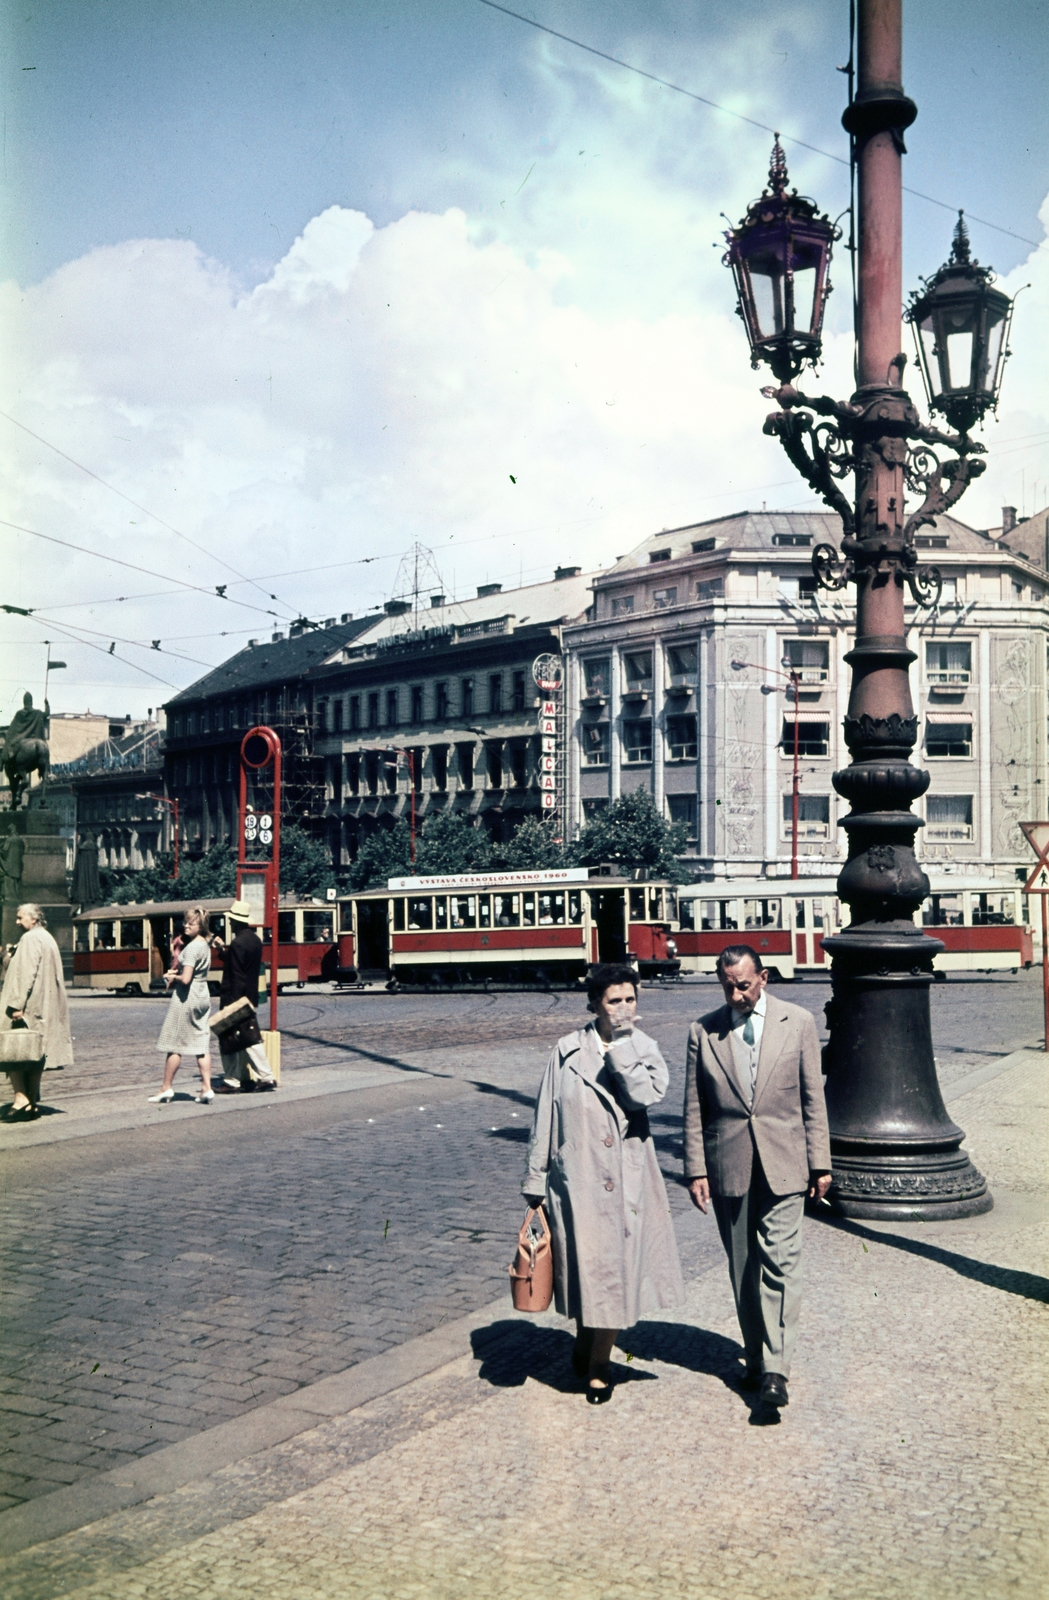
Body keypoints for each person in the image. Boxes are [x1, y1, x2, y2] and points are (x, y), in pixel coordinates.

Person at [523, 963, 684, 1404]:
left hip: (627, 1180)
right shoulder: (567, 1050)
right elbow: (546, 1115)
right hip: (578, 1179)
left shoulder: (644, 1046)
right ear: (595, 1004)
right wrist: (536, 1177)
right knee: (587, 1271)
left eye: (630, 999)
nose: (623, 1008)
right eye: (614, 1001)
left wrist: (625, 1047)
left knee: (615, 1272)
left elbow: (644, 1096)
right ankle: (585, 1342)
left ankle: (598, 1363)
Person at [683, 945, 831, 1412]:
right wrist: (695, 1169)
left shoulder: (799, 1023)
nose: (736, 993)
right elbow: (693, 1108)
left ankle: (776, 1369)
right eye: (727, 985)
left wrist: (820, 1162)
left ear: (763, 978)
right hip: (729, 1163)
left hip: (785, 1161)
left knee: (781, 1262)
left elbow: (813, 1099)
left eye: (744, 985)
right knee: (743, 1267)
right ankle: (754, 1355)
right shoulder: (703, 1031)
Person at [0, 903, 73, 1119]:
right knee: (33, 1055)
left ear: (33, 919)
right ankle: (30, 1102)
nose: (17, 921)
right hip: (43, 1006)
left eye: (20, 916)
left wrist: (16, 1005)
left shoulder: (30, 938)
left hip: (28, 1007)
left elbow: (25, 974)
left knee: (13, 1052)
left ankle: (21, 1099)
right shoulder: (46, 937)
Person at [149, 908, 215, 1104]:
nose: (186, 926)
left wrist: (172, 976)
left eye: (191, 924)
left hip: (187, 997)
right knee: (201, 1044)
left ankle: (166, 1087)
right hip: (202, 995)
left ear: (201, 926)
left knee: (174, 1043)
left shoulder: (193, 947)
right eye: (186, 922)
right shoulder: (205, 945)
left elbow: (185, 979)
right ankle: (206, 1088)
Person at [215, 901, 277, 1091]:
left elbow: (236, 974)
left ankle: (234, 1080)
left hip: (234, 998)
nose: (230, 924)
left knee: (229, 1039)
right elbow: (241, 965)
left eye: (231, 921)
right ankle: (264, 1076)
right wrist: (222, 952)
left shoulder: (237, 943)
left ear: (235, 922)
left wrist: (232, 1005)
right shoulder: (254, 940)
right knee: (248, 1037)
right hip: (248, 996)